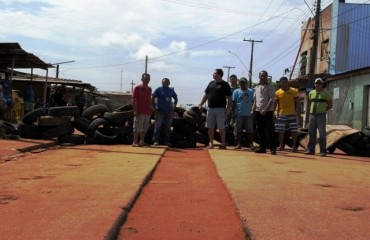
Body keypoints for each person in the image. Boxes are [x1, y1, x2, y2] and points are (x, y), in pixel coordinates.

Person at [199, 68, 232, 149]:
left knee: (221, 127)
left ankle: (223, 144)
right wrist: (201, 104)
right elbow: (206, 95)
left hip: (221, 109)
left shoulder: (225, 84)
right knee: (210, 127)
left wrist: (228, 108)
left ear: (219, 74)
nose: (213, 74)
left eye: (214, 73)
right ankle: (211, 144)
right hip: (210, 109)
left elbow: (229, 98)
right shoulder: (211, 83)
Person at [305, 78, 333, 156]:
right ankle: (310, 150)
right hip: (312, 115)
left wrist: (324, 110)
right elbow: (310, 103)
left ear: (322, 84)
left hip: (321, 115)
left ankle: (323, 150)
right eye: (316, 83)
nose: (318, 84)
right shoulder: (311, 93)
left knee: (322, 133)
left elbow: (330, 105)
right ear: (314, 84)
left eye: (320, 83)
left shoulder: (326, 93)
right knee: (311, 132)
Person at [252, 70, 277, 155]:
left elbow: (272, 99)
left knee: (270, 130)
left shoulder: (270, 86)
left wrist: (265, 110)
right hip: (258, 111)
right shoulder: (257, 87)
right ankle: (262, 147)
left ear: (267, 77)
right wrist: (253, 110)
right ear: (259, 76)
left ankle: (273, 148)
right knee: (260, 130)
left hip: (268, 112)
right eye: (261, 76)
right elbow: (255, 100)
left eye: (264, 76)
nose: (263, 77)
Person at [274, 76, 301, 152]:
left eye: (285, 82)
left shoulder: (294, 91)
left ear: (288, 82)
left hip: (292, 113)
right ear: (280, 83)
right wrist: (274, 113)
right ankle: (280, 146)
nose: (284, 84)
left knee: (294, 131)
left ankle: (294, 146)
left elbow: (297, 102)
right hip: (281, 114)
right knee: (281, 131)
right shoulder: (277, 92)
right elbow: (275, 104)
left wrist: (299, 112)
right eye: (282, 82)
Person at [152, 78, 178, 147]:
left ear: (169, 83)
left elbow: (176, 98)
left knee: (168, 127)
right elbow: (152, 98)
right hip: (159, 111)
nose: (165, 83)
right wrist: (154, 108)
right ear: (162, 83)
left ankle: (167, 141)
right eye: (164, 82)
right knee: (158, 127)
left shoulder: (171, 90)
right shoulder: (158, 89)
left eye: (166, 82)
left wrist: (174, 108)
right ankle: (156, 140)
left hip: (169, 112)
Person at [232, 77, 255, 150]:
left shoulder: (251, 91)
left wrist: (253, 111)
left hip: (249, 114)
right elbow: (234, 102)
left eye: (244, 82)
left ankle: (251, 144)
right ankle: (239, 144)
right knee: (239, 130)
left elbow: (254, 101)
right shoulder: (236, 91)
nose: (242, 84)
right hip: (239, 114)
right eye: (241, 82)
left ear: (246, 83)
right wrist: (233, 112)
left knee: (250, 130)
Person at [132, 73, 153, 147]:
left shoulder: (149, 89)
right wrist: (135, 110)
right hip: (139, 111)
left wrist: (151, 108)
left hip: (147, 111)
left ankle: (142, 142)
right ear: (142, 79)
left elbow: (149, 100)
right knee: (137, 126)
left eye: (148, 79)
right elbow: (134, 100)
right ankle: (135, 142)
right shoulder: (137, 88)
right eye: (145, 79)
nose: (147, 80)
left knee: (144, 128)